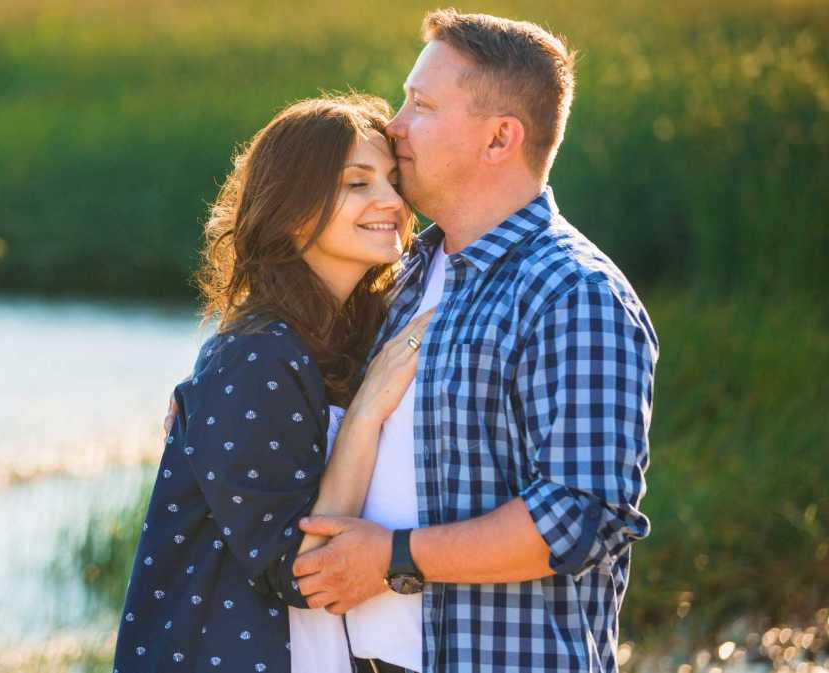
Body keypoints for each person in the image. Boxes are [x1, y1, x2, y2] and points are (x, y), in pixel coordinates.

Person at [292, 10, 660, 673]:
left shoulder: (574, 294)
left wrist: (392, 556)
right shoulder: (400, 275)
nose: (393, 124)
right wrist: (211, 394)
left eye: (422, 105)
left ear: (499, 140)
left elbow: (577, 516)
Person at [112, 94, 432, 673]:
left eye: (392, 180)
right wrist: (366, 414)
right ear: (292, 209)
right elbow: (308, 574)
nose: (391, 201)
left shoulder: (349, 334)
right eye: (356, 184)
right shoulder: (256, 356)